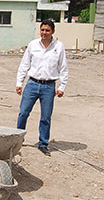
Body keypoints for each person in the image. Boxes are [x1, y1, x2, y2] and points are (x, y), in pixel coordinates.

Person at [16, 19, 68, 156]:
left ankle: (43, 144)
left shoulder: (59, 47)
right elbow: (24, 65)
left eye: (47, 30)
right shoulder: (33, 45)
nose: (44, 33)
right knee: (23, 113)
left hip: (49, 87)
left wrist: (62, 86)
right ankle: (17, 140)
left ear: (53, 32)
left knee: (46, 117)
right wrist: (19, 83)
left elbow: (63, 68)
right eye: (42, 30)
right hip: (32, 84)